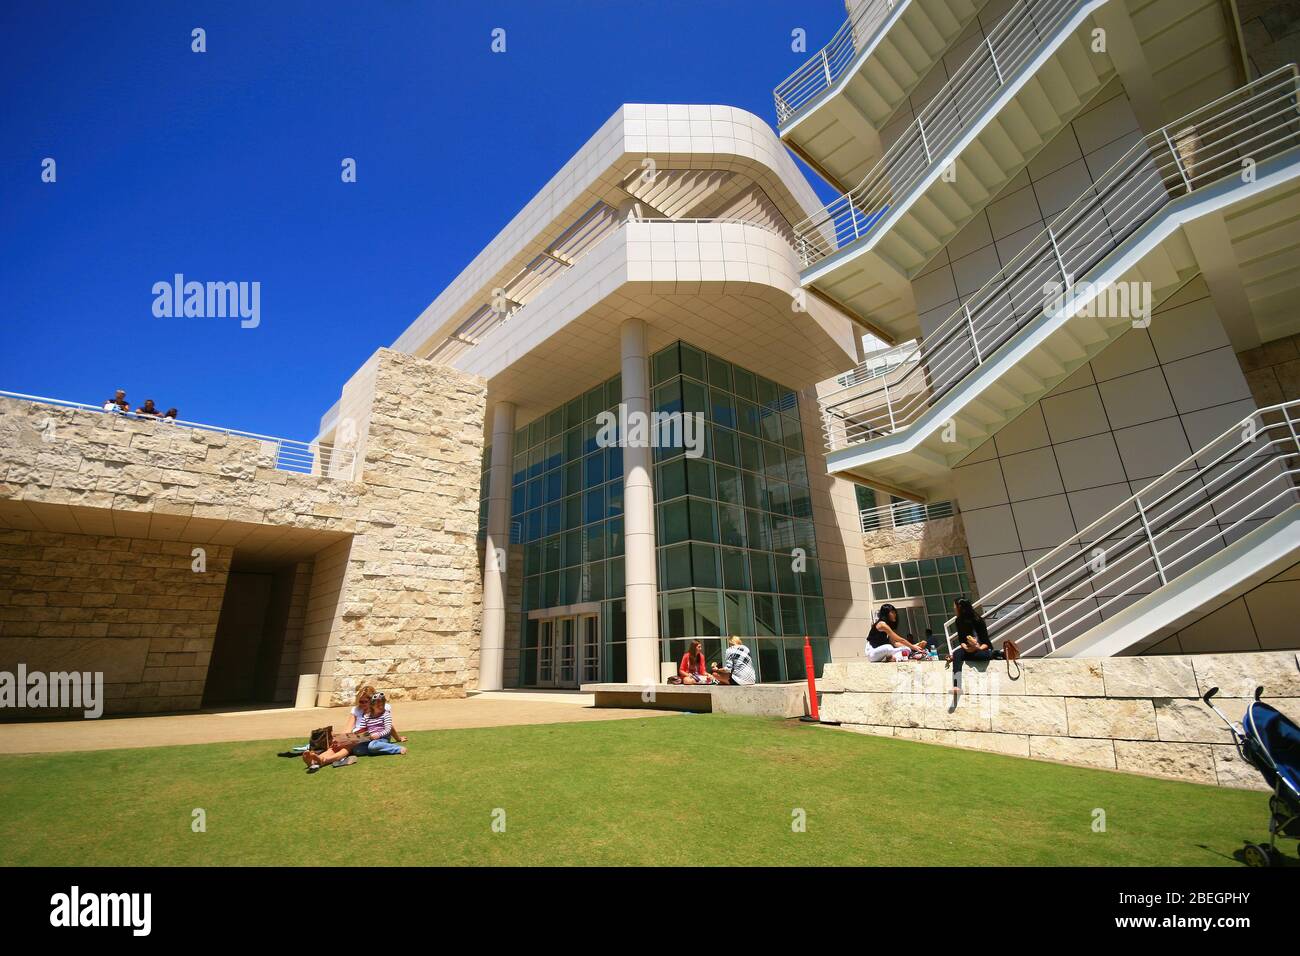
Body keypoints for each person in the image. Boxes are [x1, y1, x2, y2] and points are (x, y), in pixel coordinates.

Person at [947, 598, 993, 699]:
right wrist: (967, 648)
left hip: (981, 650)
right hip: (968, 650)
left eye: (954, 605)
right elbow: (961, 640)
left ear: (960, 607)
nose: (953, 608)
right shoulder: (958, 621)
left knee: (984, 655)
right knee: (957, 654)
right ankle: (956, 686)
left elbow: (986, 643)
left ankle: (995, 654)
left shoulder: (978, 620)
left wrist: (977, 647)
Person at [351, 692, 407, 757]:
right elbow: (362, 730)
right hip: (370, 739)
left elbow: (388, 729)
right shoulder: (366, 716)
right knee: (357, 750)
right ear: (372, 706)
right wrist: (357, 735)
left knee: (372, 746)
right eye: (378, 706)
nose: (381, 707)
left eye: (382, 705)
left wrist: (378, 735)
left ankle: (397, 748)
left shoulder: (386, 715)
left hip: (382, 738)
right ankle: (377, 750)